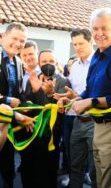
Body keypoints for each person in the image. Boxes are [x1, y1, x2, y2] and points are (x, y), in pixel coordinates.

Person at [70, 8, 111, 188]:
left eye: (104, 28)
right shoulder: (97, 56)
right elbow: (90, 90)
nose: (99, 33)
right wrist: (76, 99)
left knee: (109, 181)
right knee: (100, 176)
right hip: (99, 125)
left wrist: (90, 102)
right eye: (95, 29)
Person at [22, 49, 71, 188]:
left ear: (56, 62)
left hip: (52, 132)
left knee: (49, 166)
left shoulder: (63, 81)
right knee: (31, 165)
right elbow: (26, 99)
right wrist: (29, 102)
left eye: (50, 61)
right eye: (44, 61)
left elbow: (62, 107)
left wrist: (50, 94)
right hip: (33, 128)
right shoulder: (33, 79)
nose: (47, 64)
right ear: (39, 63)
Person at [56, 28, 96, 188]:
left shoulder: (98, 63)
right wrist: (64, 99)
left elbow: (96, 94)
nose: (77, 47)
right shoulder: (76, 67)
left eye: (81, 43)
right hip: (76, 120)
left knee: (95, 168)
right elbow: (71, 91)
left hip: (95, 121)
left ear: (90, 41)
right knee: (75, 164)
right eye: (75, 44)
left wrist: (75, 97)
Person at [0, 22, 27, 188]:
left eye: (22, 41)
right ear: (3, 36)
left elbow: (17, 93)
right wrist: (9, 101)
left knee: (8, 170)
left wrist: (26, 103)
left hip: (8, 124)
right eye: (14, 38)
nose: (18, 44)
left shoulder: (18, 62)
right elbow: (11, 98)